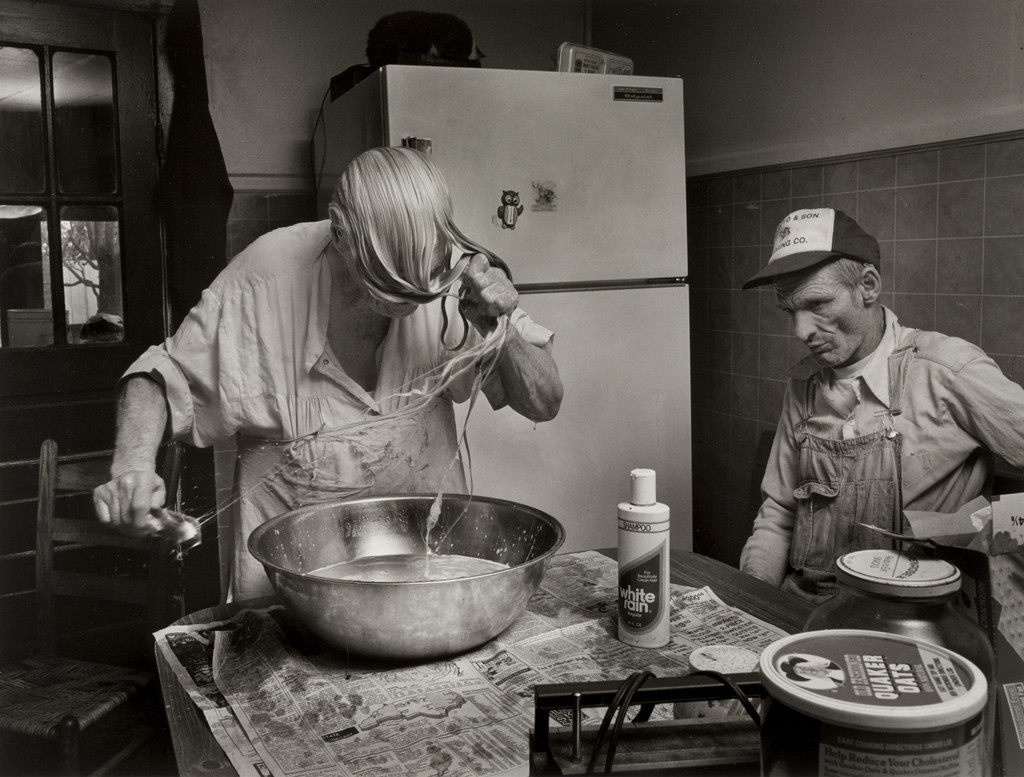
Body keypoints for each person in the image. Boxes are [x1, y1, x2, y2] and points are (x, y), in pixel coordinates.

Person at [93, 146, 563, 600]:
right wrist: (132, 466)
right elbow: (159, 375)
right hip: (290, 595)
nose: (405, 309)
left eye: (418, 294)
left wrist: (504, 328)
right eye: (388, 290)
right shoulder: (262, 284)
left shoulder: (449, 270)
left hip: (431, 580)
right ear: (340, 234)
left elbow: (545, 401)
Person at [738, 207, 1024, 603]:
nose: (801, 331)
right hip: (809, 610)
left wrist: (996, 535)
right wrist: (754, 601)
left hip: (914, 621)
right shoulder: (803, 386)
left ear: (868, 286)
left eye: (817, 304)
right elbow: (780, 515)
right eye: (790, 311)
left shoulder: (946, 370)